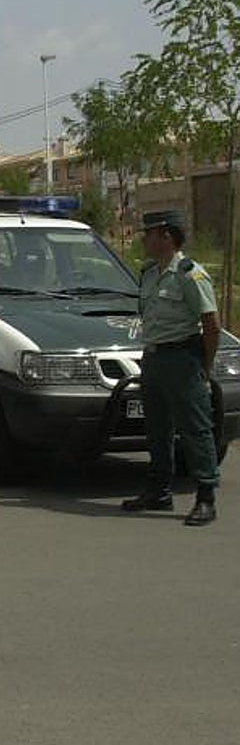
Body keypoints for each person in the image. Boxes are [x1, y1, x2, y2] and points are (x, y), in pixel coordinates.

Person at [122, 209, 221, 526]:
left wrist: (205, 365)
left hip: (182, 357)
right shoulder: (150, 273)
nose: (144, 240)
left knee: (195, 428)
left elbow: (211, 323)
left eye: (148, 234)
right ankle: (159, 490)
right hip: (154, 357)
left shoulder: (189, 274)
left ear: (166, 235)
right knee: (157, 428)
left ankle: (205, 497)